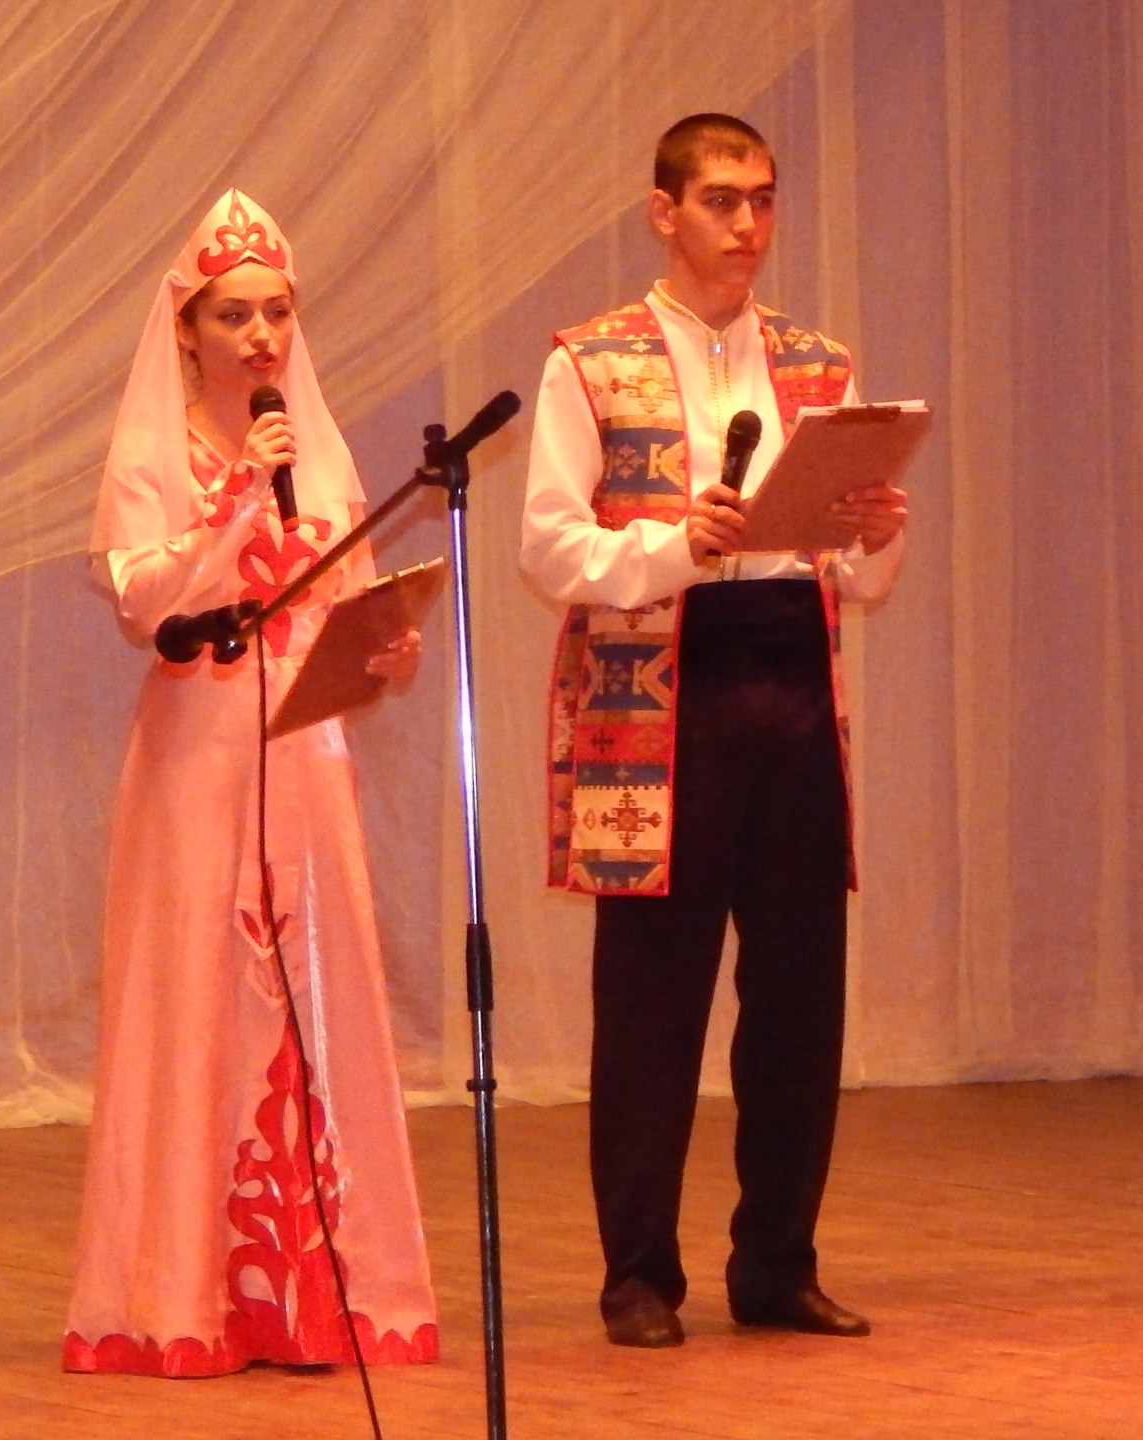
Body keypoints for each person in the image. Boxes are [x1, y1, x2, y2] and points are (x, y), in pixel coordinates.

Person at [520, 114, 910, 1349]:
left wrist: (872, 532)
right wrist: (669, 545)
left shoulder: (819, 363)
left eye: (763, 199)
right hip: (660, 687)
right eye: (722, 200)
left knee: (798, 992)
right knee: (652, 999)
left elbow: (856, 576)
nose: (747, 224)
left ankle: (777, 1264)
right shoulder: (590, 360)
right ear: (664, 211)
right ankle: (639, 1274)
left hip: (789, 673)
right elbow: (549, 549)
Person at [64, 190, 439, 1377]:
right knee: (195, 992)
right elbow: (142, 601)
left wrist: (383, 645)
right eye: (234, 316)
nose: (262, 335)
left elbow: (342, 594)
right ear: (188, 330)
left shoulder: (316, 451)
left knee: (316, 988)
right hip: (199, 751)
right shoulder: (155, 453)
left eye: (276, 311)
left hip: (302, 751)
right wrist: (233, 499)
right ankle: (186, 1295)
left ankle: (323, 1291)